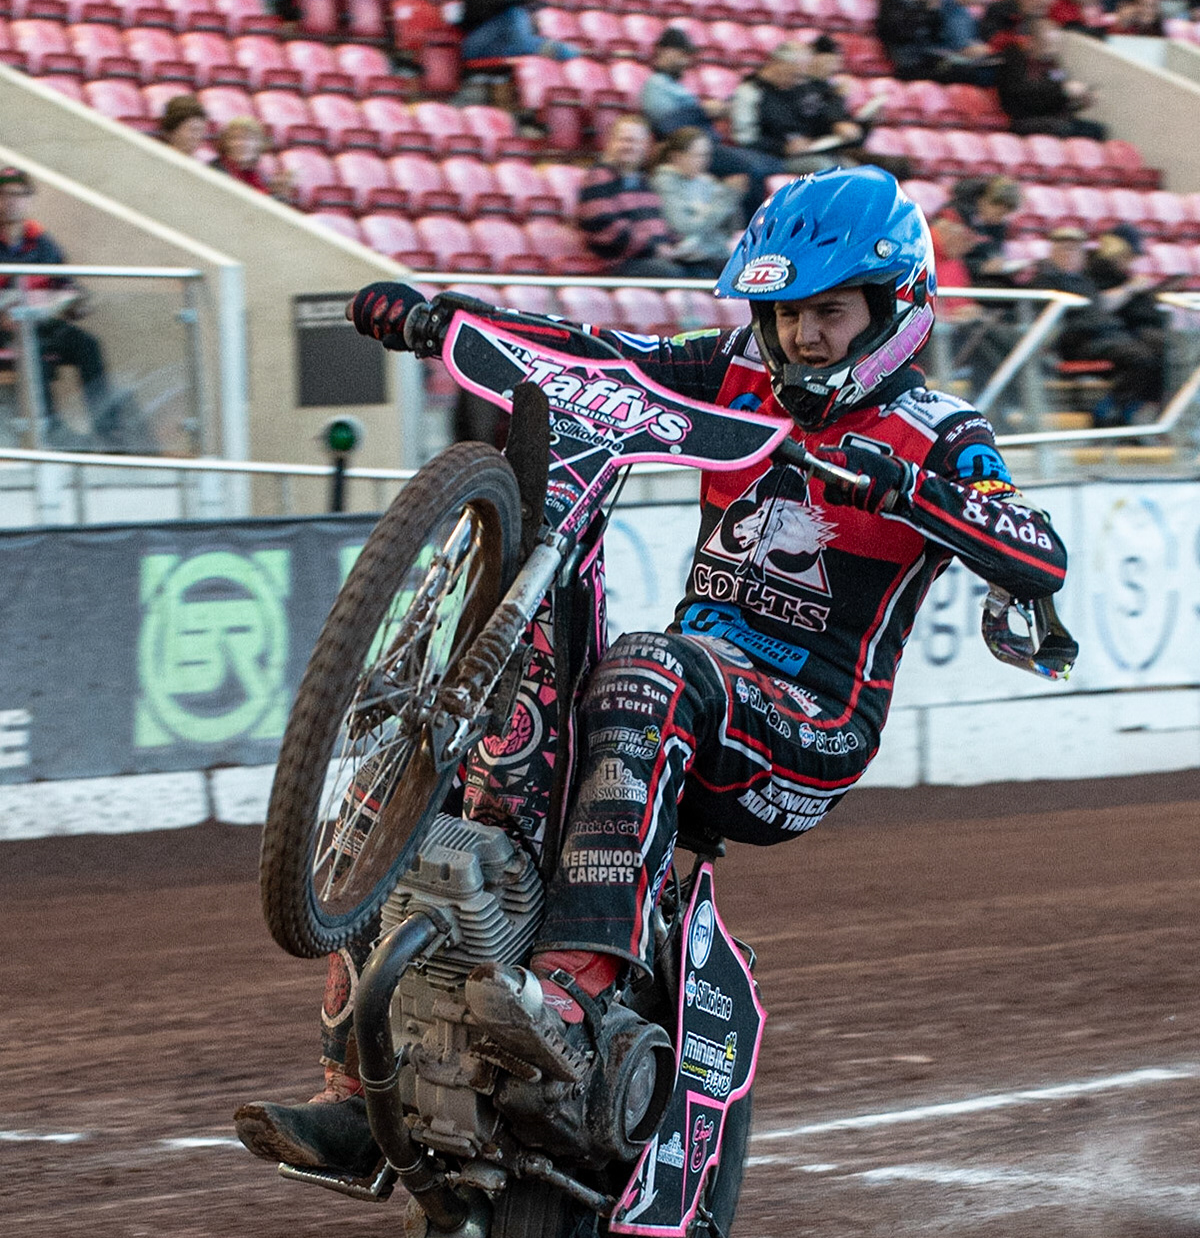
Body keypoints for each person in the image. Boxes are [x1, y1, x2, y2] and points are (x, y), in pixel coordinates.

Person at [233, 166, 1069, 1174]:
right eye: (786, 314)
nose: (803, 337)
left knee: (646, 669)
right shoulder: (736, 370)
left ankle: (572, 991)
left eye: (830, 313)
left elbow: (1038, 549)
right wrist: (440, 319)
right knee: (497, 697)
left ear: (895, 310)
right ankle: (353, 1089)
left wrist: (910, 492)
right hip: (691, 683)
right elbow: (597, 355)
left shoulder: (942, 432)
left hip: (807, 730)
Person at [0, 166, 125, 448]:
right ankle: (51, 434)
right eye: (4, 194)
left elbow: (65, 284)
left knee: (87, 345)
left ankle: (110, 433)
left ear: (29, 199)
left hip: (43, 323)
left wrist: (75, 301)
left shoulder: (42, 243)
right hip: (7, 330)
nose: (11, 201)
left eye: (18, 194)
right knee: (34, 351)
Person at [639, 28, 782, 218]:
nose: (685, 61)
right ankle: (753, 228)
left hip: (708, 144)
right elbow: (667, 125)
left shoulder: (673, 85)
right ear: (664, 51)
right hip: (689, 149)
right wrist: (703, 110)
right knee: (752, 171)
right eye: (681, 54)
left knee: (772, 163)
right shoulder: (654, 85)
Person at [1031, 224, 1167, 421]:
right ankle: (1106, 412)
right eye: (1065, 249)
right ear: (1053, 252)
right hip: (1082, 340)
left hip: (1109, 336)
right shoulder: (1044, 281)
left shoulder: (1084, 281)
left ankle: (1129, 411)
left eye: (1075, 249)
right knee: (1141, 358)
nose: (1070, 254)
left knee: (1163, 355)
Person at [731, 38, 870, 172]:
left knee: (855, 170)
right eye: (795, 75)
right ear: (779, 65)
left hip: (810, 151)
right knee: (827, 169)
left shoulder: (796, 88)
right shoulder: (749, 92)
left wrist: (837, 124)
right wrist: (783, 147)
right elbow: (746, 139)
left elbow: (815, 118)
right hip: (773, 157)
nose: (798, 81)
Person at [576, 115, 687, 278]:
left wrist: (677, 245)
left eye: (637, 142)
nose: (630, 147)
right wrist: (654, 248)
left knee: (709, 268)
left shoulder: (643, 182)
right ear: (611, 142)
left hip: (652, 257)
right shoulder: (598, 178)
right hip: (617, 264)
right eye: (625, 140)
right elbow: (605, 227)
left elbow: (658, 225)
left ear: (645, 147)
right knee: (672, 273)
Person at [649, 127, 742, 279]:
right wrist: (723, 202)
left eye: (706, 155)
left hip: (715, 253)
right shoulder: (664, 182)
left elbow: (731, 227)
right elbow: (684, 227)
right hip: (687, 259)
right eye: (698, 155)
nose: (704, 161)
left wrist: (733, 197)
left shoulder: (707, 181)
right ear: (677, 157)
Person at [993, 16, 1107, 139]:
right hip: (1025, 119)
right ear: (1031, 42)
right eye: (1047, 44)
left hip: (1052, 119)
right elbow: (1022, 93)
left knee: (1097, 130)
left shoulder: (1052, 64)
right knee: (1063, 129)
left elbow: (1059, 101)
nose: (1052, 51)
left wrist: (1081, 102)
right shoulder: (1014, 59)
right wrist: (1062, 89)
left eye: (1055, 46)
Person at [875, 0, 946, 81]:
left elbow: (938, 36)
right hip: (904, 60)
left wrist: (933, 9)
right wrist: (921, 9)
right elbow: (901, 34)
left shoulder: (923, 4)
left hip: (927, 57)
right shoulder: (888, 1)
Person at [214, 116, 296, 202]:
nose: (241, 144)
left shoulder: (256, 175)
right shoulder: (216, 171)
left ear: (260, 144)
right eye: (235, 138)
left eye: (248, 138)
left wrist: (279, 193)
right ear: (225, 143)